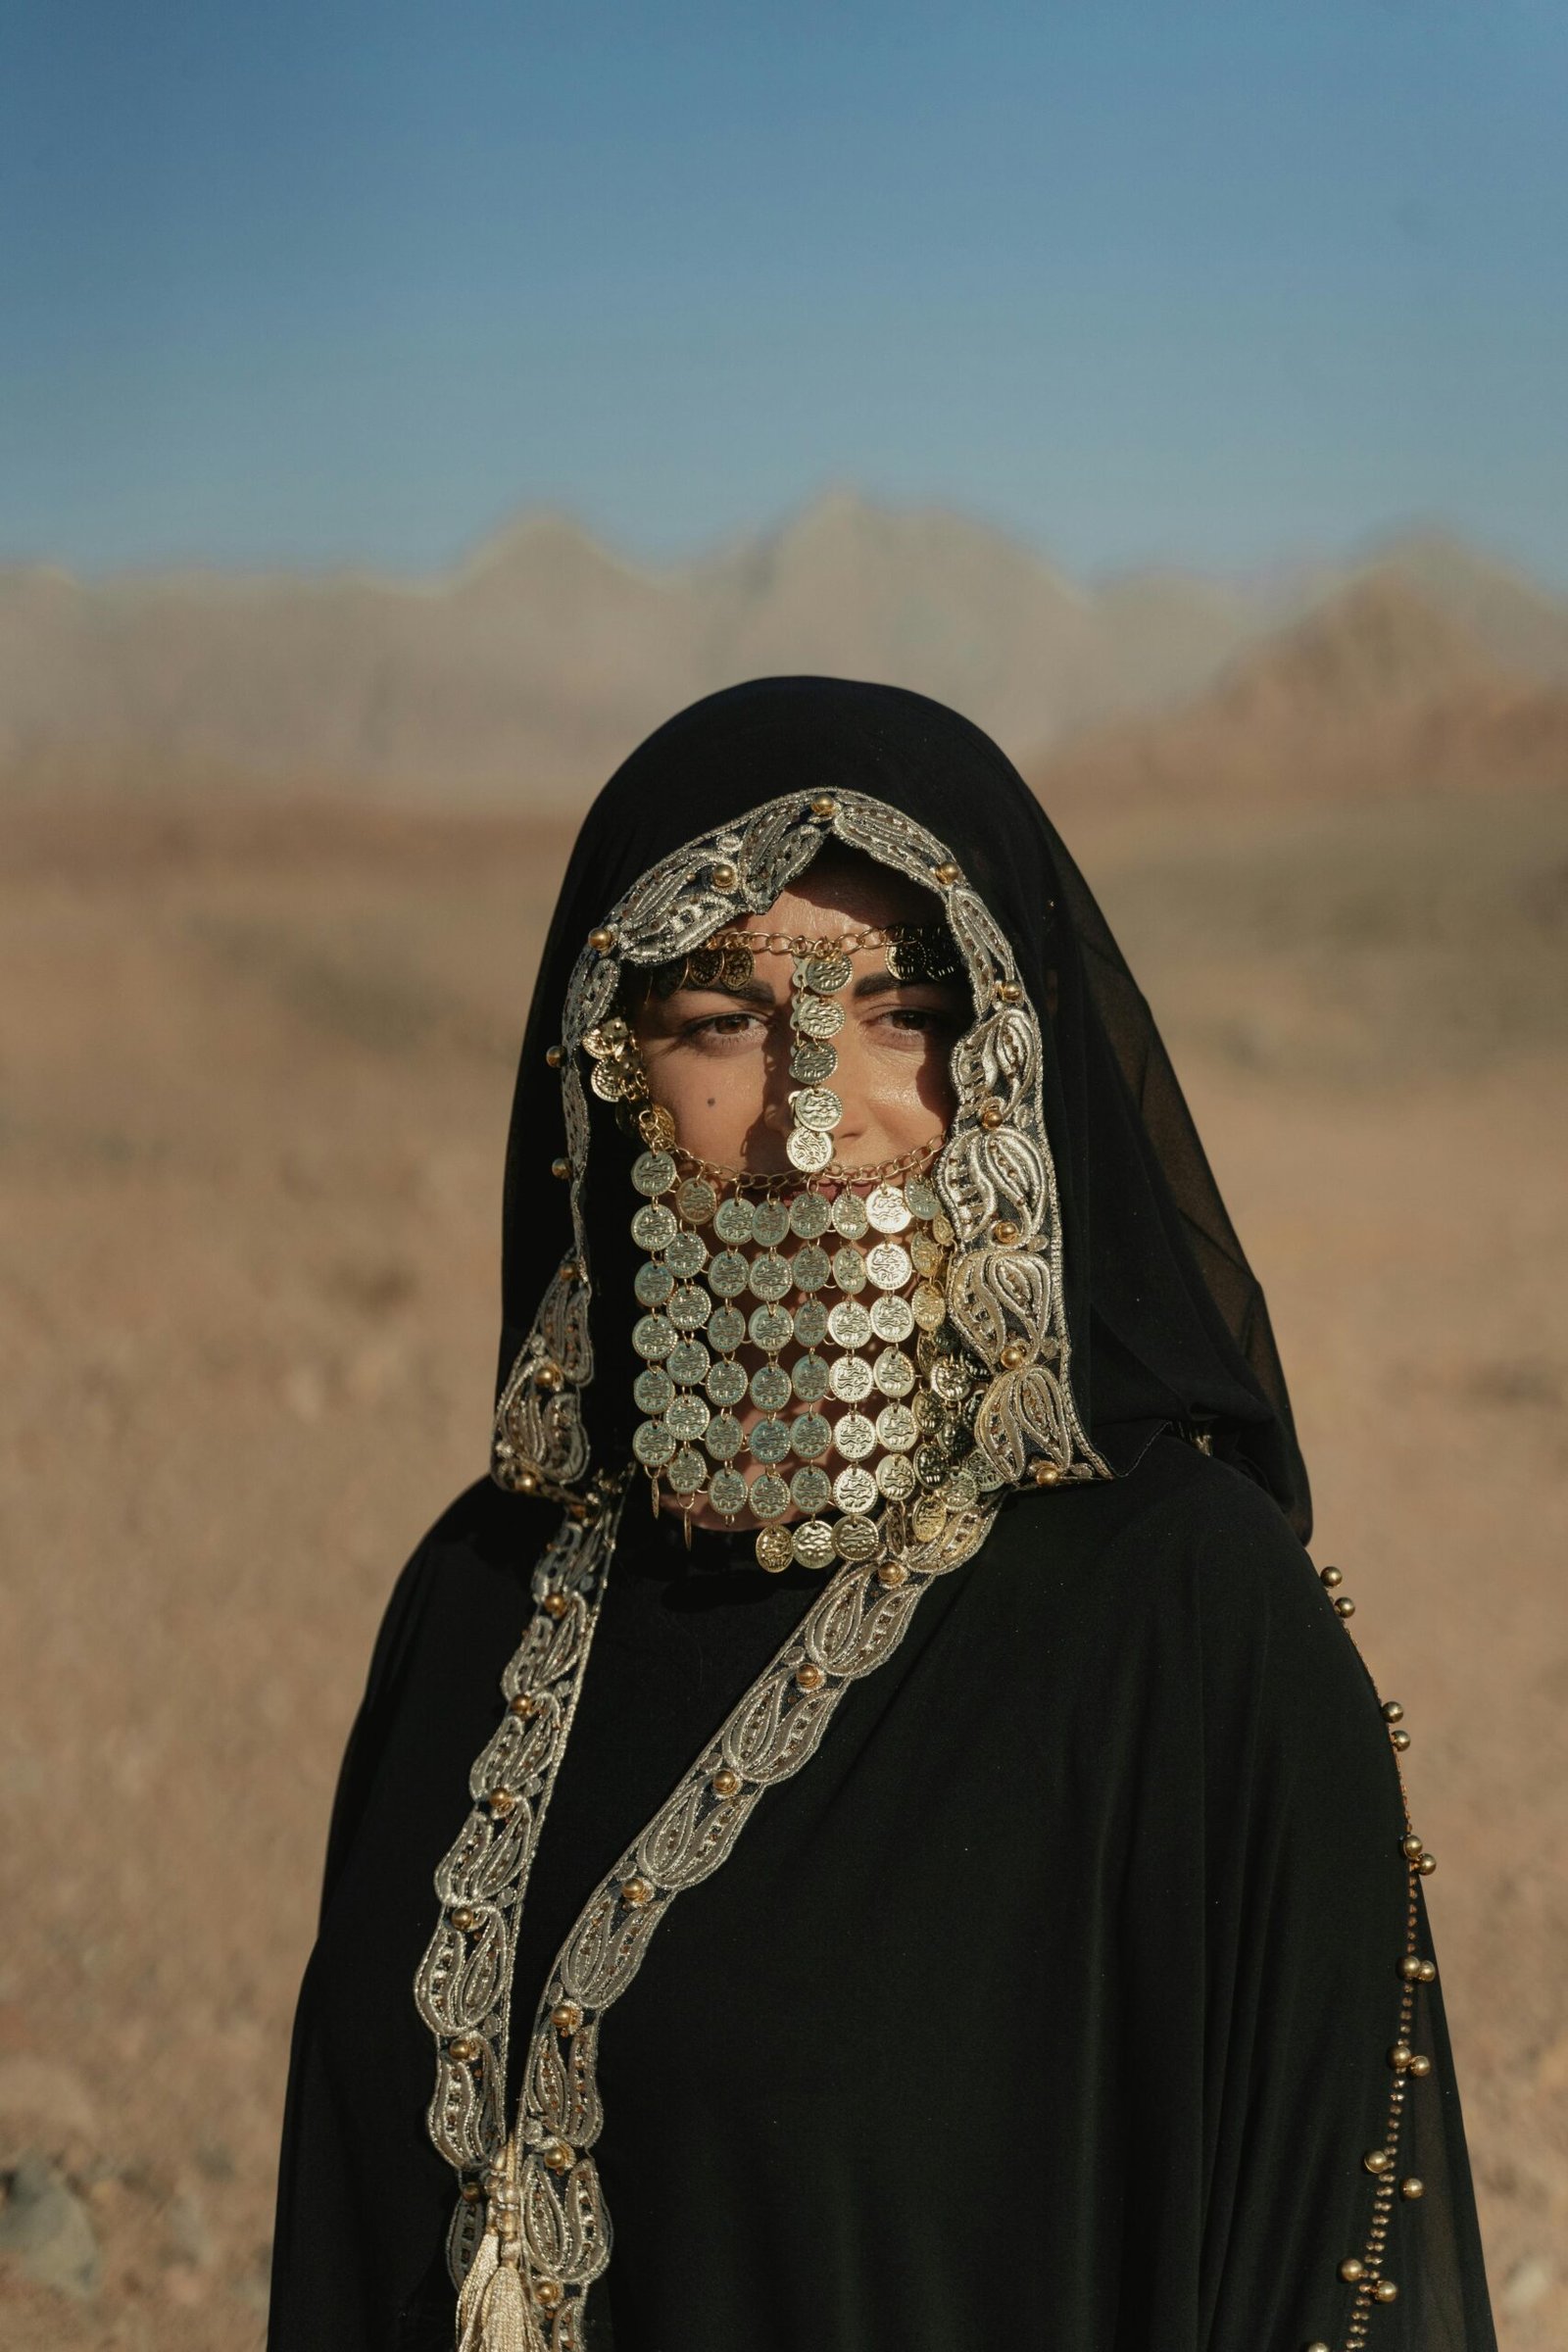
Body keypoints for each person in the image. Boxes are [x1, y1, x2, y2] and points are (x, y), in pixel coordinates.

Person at [268, 677, 1495, 2352]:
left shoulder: (1193, 1637)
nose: (816, 1115)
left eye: (906, 1011)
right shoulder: (479, 1598)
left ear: (1011, 1065)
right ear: (605, 1078)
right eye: (718, 1020)